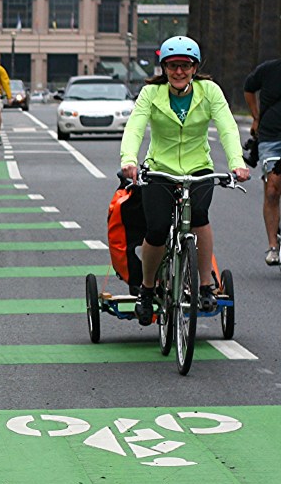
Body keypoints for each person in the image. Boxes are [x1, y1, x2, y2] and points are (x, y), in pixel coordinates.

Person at [120, 35, 249, 326]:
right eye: (173, 66)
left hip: (198, 168)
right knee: (155, 229)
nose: (179, 72)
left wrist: (236, 164)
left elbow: (227, 127)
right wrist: (129, 160)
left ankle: (205, 285)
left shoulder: (210, 91)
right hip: (160, 169)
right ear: (164, 68)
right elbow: (135, 127)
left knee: (200, 217)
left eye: (185, 66)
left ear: (195, 67)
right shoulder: (151, 94)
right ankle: (148, 288)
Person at [244, 57, 281, 265]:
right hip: (271, 137)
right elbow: (249, 87)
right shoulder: (268, 70)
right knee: (273, 189)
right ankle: (273, 246)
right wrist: (256, 117)